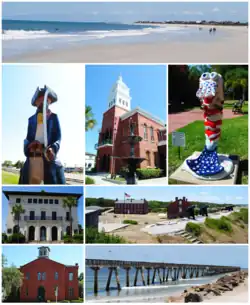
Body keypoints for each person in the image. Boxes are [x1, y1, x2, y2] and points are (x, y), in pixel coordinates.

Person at [19, 85, 66, 184]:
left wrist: (53, 148)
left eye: (47, 101)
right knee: (25, 173)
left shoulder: (54, 117)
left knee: (57, 170)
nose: (44, 103)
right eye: (41, 101)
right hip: (33, 154)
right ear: (36, 103)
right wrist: (29, 145)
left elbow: (58, 136)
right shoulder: (31, 119)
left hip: (48, 154)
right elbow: (28, 137)